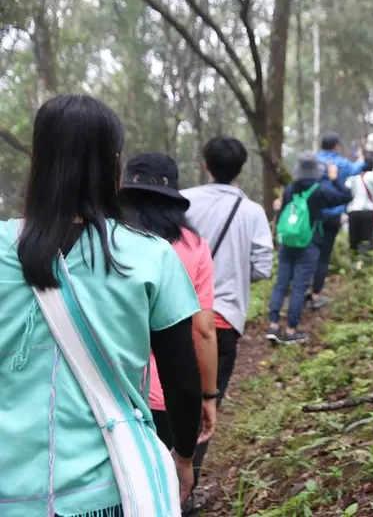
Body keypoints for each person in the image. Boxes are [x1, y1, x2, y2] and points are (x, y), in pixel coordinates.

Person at [0, 95, 202, 517]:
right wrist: (183, 455)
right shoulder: (149, 256)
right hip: (110, 487)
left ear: (37, 160)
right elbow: (182, 381)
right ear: (114, 166)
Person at [181, 135, 273, 490]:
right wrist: (233, 272)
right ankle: (188, 489)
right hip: (223, 321)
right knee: (207, 404)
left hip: (176, 316)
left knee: (166, 397)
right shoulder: (252, 212)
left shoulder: (184, 201)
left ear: (205, 164)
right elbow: (263, 266)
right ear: (240, 169)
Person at [120, 152, 219, 452]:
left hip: (109, 391)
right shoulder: (194, 246)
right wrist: (208, 396)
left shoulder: (103, 241)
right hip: (164, 395)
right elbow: (203, 330)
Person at [267, 152, 352, 343]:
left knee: (281, 283)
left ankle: (273, 325)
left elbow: (282, 212)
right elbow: (346, 196)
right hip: (309, 243)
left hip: (287, 243)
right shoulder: (319, 190)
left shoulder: (289, 189)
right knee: (299, 287)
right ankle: (290, 330)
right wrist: (335, 178)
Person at [313, 132, 364, 310]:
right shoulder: (341, 163)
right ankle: (316, 293)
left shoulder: (314, 161)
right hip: (334, 214)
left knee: (311, 251)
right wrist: (361, 156)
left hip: (314, 213)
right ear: (336, 146)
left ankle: (304, 288)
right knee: (324, 254)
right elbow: (358, 168)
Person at [345, 150, 373, 258]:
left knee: (354, 241)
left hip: (353, 211)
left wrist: (344, 212)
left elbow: (346, 194)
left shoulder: (351, 176)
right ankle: (366, 264)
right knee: (367, 241)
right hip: (368, 211)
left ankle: (354, 263)